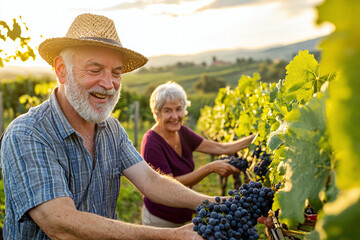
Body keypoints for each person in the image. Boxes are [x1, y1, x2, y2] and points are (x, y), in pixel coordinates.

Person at [0, 13, 214, 240]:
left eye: (116, 73)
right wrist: (169, 236)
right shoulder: (27, 133)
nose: (108, 84)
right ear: (61, 70)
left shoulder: (111, 128)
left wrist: (217, 203)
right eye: (95, 70)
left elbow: (151, 181)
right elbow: (60, 223)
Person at [140, 81, 256, 227]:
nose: (175, 116)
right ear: (156, 114)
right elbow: (168, 186)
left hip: (185, 213)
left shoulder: (182, 132)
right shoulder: (151, 143)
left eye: (179, 109)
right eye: (167, 110)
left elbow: (219, 148)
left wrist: (254, 139)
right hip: (161, 219)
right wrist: (209, 168)